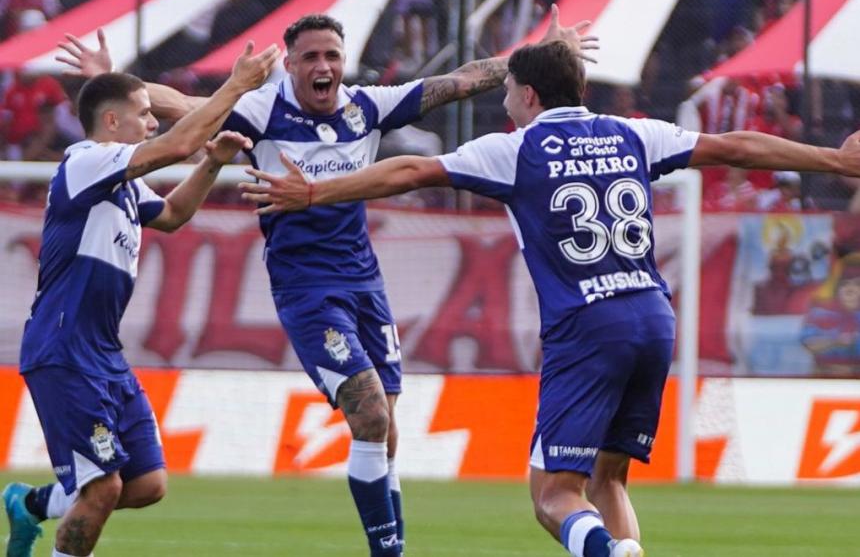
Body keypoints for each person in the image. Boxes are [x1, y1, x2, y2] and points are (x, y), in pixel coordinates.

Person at [235, 40, 860, 557]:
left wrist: (318, 193)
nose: (504, 102)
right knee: (609, 477)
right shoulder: (633, 133)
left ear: (529, 96)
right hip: (653, 317)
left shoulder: (516, 148)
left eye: (509, 92)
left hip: (588, 327)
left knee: (553, 496)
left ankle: (611, 554)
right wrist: (833, 160)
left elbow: (412, 172)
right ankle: (626, 550)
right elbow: (736, 147)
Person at [53, 7, 596, 557]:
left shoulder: (368, 107)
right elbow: (191, 108)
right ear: (288, 64)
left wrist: (537, 59)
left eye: (331, 55)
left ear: (344, 62)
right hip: (305, 289)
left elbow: (459, 81)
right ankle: (386, 552)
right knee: (370, 414)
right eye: (309, 56)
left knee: (387, 431)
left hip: (364, 283)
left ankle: (393, 545)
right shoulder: (264, 109)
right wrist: (111, 79)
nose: (323, 65)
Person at [2, 41, 278, 557]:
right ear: (111, 122)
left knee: (147, 484)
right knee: (103, 487)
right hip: (64, 349)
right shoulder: (85, 161)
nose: (153, 123)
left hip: (102, 353)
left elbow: (172, 215)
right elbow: (175, 146)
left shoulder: (123, 185)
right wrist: (237, 86)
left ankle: (32, 504)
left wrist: (213, 164)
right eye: (145, 115)